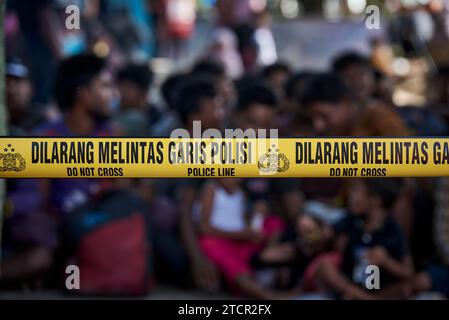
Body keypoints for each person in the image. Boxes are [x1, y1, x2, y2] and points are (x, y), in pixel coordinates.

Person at [316, 179, 414, 299]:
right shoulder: (352, 220)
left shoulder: (392, 231)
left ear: (375, 200)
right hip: (352, 285)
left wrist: (386, 261)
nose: (351, 197)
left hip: (380, 290)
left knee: (404, 289)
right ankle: (360, 296)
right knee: (325, 267)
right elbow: (327, 232)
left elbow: (408, 271)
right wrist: (315, 232)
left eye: (356, 192)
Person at [198, 179, 284, 299]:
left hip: (239, 242)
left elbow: (241, 222)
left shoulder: (241, 193)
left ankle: (269, 265)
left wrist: (257, 218)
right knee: (235, 266)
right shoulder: (211, 189)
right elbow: (204, 228)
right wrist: (241, 234)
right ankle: (268, 296)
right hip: (217, 241)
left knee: (273, 223)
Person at [114, 63, 163, 136]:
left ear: (143, 91)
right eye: (120, 88)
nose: (122, 93)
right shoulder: (114, 113)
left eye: (127, 87)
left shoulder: (159, 121)